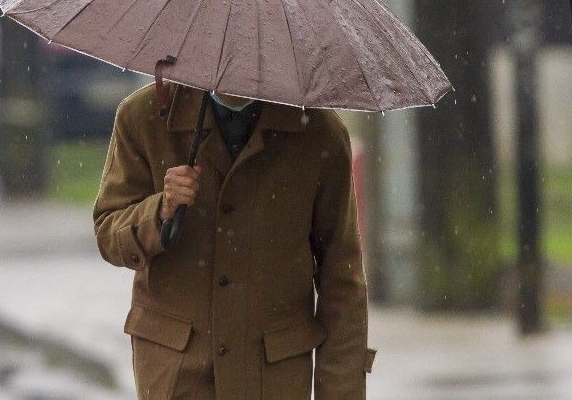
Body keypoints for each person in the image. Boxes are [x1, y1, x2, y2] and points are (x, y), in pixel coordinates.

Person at [93, 81, 375, 399]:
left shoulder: (319, 131)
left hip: (273, 378)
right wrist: (160, 209)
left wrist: (341, 391)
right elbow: (108, 234)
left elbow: (341, 278)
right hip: (177, 374)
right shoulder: (143, 116)